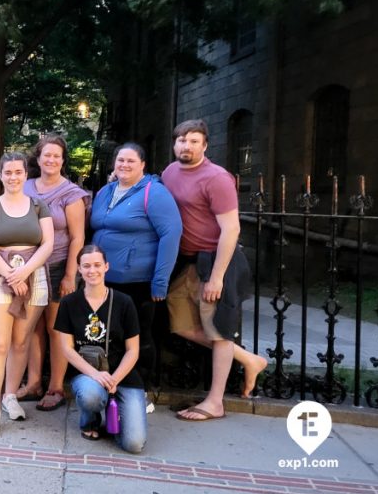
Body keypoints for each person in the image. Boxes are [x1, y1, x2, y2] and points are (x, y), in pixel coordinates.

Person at [161, 119, 267, 421]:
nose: (186, 146)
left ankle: (215, 402)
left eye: (193, 141)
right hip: (188, 260)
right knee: (179, 322)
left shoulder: (217, 178)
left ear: (205, 145)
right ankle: (248, 358)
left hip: (217, 260)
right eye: (181, 140)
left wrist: (217, 277)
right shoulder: (169, 172)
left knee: (218, 331)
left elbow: (231, 229)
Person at [0, 152, 54, 436]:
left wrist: (24, 271)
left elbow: (47, 244)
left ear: (25, 174)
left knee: (21, 342)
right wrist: (10, 274)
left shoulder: (38, 205)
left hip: (33, 276)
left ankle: (10, 396)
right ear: (1, 176)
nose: (13, 177)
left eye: (18, 172)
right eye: (8, 173)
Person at [91, 143, 181, 398]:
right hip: (105, 280)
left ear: (143, 164)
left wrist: (160, 281)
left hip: (138, 281)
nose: (124, 165)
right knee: (109, 335)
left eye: (131, 161)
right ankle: (112, 385)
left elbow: (171, 234)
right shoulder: (106, 192)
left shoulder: (154, 193)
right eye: (120, 160)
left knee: (139, 336)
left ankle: (141, 388)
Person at [18, 135, 90, 412]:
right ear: (38, 158)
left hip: (59, 266)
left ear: (63, 160)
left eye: (57, 156)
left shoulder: (71, 193)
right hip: (27, 266)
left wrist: (71, 274)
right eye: (47, 155)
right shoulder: (24, 187)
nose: (51, 160)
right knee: (34, 327)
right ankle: (34, 382)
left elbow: (77, 237)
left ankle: (56, 386)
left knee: (56, 328)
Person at [55, 245, 146, 453]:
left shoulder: (124, 302)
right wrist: (96, 375)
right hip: (87, 373)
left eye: (97, 265)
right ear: (79, 269)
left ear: (106, 267)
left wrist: (114, 379)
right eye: (86, 266)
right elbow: (67, 349)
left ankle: (115, 412)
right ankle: (90, 419)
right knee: (91, 395)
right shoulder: (69, 303)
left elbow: (133, 350)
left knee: (134, 444)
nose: (92, 270)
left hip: (123, 375)